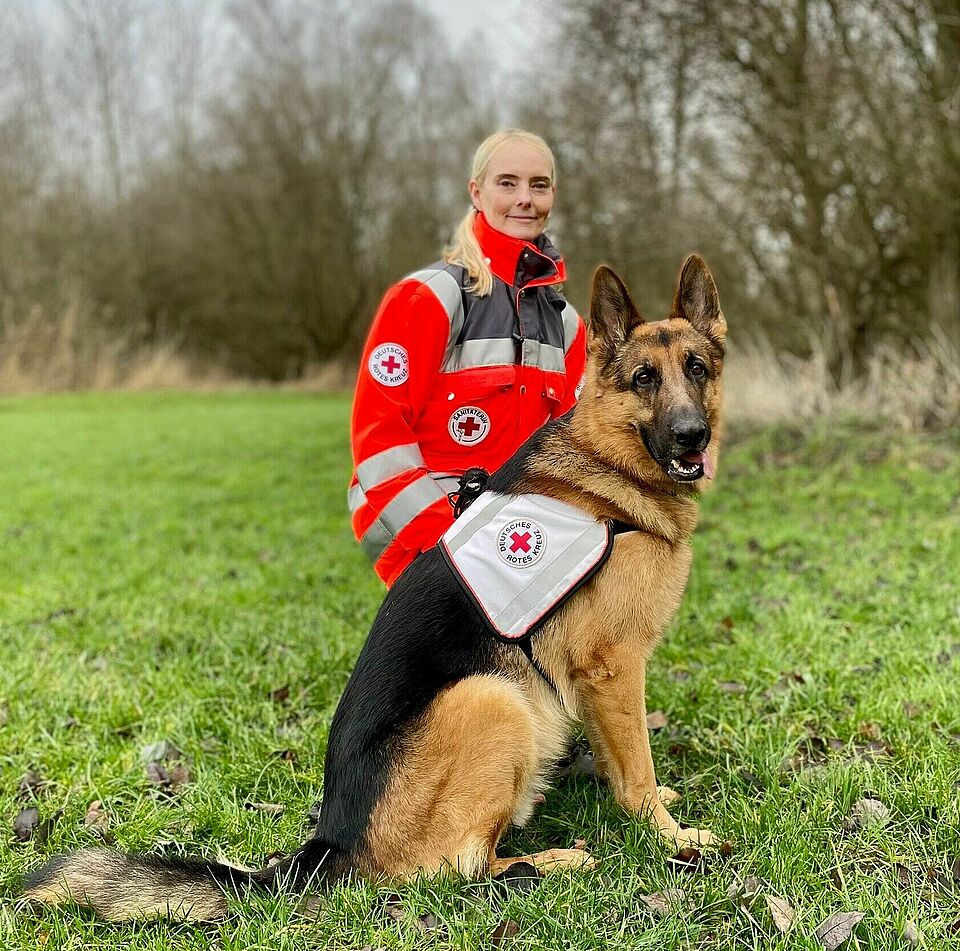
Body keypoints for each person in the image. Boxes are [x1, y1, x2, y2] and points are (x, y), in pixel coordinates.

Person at [348, 129, 587, 586]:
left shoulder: (569, 326)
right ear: (476, 192)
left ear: (553, 194)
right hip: (422, 523)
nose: (525, 199)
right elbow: (379, 439)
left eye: (538, 185)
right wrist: (448, 544)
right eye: (507, 183)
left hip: (513, 527)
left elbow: (581, 444)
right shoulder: (426, 298)